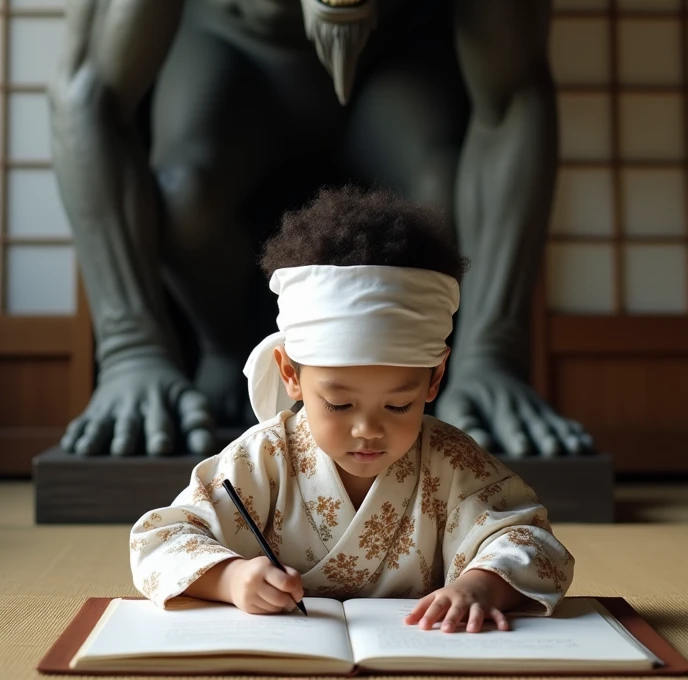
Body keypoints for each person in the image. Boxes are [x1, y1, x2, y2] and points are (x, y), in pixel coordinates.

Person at [130, 186, 573, 633]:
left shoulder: (451, 462)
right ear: (290, 374)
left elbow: (530, 541)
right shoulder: (262, 459)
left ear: (435, 378)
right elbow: (161, 541)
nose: (367, 429)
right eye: (339, 403)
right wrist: (231, 578)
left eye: (399, 405)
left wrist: (480, 586)